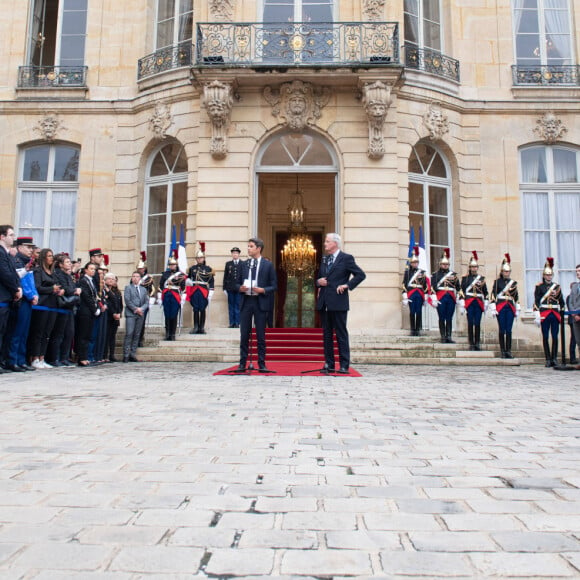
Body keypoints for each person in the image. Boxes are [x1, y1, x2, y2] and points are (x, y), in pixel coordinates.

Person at [316, 233, 366, 374]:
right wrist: (318, 282)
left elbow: (360, 275)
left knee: (341, 334)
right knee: (327, 335)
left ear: (335, 243)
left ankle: (344, 365)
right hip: (324, 302)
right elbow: (319, 278)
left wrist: (347, 285)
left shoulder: (346, 258)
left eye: (327, 242)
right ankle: (329, 364)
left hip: (338, 302)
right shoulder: (325, 259)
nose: (325, 244)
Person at [232, 237, 277, 373]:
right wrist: (240, 288)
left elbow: (274, 285)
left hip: (260, 302)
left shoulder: (267, 265)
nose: (248, 248)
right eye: (248, 246)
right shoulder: (243, 264)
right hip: (246, 301)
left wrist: (263, 290)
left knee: (260, 335)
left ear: (258, 248)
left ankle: (262, 363)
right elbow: (235, 283)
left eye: (251, 246)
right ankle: (242, 363)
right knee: (244, 334)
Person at [5, 236, 37, 372]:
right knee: (17, 332)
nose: (31, 250)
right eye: (28, 247)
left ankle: (21, 359)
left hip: (28, 300)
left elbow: (31, 282)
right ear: (19, 247)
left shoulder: (28, 261)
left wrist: (35, 295)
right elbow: (19, 280)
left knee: (24, 332)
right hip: (21, 300)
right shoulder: (16, 260)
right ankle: (12, 360)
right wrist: (30, 295)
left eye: (31, 248)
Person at [29, 248, 64, 369]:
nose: (51, 258)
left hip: (52, 305)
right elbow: (37, 287)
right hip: (42, 305)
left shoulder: (52, 272)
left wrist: (59, 290)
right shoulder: (38, 271)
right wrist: (51, 289)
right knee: (38, 332)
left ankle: (42, 357)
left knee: (47, 333)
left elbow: (57, 284)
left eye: (52, 255)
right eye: (49, 256)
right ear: (44, 257)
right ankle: (34, 357)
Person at [47, 253, 81, 367]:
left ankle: (64, 357)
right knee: (58, 334)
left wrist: (72, 289)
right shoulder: (59, 274)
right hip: (61, 307)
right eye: (67, 262)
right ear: (60, 264)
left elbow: (70, 286)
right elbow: (66, 288)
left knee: (69, 333)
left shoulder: (68, 275)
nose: (70, 264)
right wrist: (74, 291)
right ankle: (54, 358)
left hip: (69, 307)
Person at [534, 257, 565, 367]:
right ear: (543, 275)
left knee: (555, 336)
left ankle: (554, 358)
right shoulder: (539, 287)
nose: (549, 276)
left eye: (550, 275)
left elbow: (561, 301)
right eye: (547, 275)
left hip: (554, 313)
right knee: (546, 336)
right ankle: (547, 358)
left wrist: (562, 311)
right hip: (545, 313)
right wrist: (537, 313)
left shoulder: (557, 287)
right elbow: (537, 301)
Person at [0, 225, 22, 374]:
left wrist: (17, 288)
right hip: (2, 296)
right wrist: (15, 288)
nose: (13, 238)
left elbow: (13, 273)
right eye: (11, 235)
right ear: (2, 236)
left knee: (4, 331)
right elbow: (5, 273)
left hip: (7, 297)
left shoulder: (7, 254)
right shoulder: (1, 253)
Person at [489, 253, 519, 359]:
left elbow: (516, 296)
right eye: (505, 271)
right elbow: (493, 295)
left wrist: (518, 307)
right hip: (501, 306)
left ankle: (508, 350)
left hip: (510, 306)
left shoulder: (513, 283)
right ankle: (502, 350)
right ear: (502, 271)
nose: (507, 273)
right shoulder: (497, 282)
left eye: (508, 271)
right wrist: (493, 306)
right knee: (502, 329)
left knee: (509, 330)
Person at [459, 251, 489, 351]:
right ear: (470, 268)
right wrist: (462, 303)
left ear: (477, 268)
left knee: (477, 323)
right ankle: (471, 343)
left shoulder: (482, 279)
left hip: (479, 303)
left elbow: (486, 292)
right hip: (469, 302)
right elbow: (461, 291)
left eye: (475, 267)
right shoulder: (465, 279)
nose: (474, 269)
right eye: (472, 267)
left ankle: (477, 343)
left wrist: (486, 302)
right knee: (470, 323)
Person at [430, 248, 460, 344]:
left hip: (450, 297)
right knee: (442, 317)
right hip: (440, 297)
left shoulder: (453, 275)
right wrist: (434, 298)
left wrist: (459, 297)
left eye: (447, 264)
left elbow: (458, 288)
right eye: (443, 264)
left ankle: (449, 336)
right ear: (440, 265)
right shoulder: (435, 275)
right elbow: (432, 288)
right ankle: (443, 336)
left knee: (449, 317)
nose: (445, 266)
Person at [186, 245, 214, 335]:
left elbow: (211, 281)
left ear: (203, 258)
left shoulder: (208, 269)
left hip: (203, 290)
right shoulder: (192, 268)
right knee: (195, 309)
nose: (199, 259)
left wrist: (211, 292)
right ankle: (195, 327)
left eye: (201, 258)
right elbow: (189, 278)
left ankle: (202, 327)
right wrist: (188, 281)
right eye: (198, 258)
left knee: (202, 309)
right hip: (194, 290)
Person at [76, 263, 101, 367]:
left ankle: (85, 357)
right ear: (85, 270)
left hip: (90, 311)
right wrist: (95, 309)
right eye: (91, 269)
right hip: (85, 311)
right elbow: (86, 296)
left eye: (94, 269)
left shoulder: (91, 281)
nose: (93, 271)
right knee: (83, 335)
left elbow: (94, 296)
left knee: (87, 335)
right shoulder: (83, 281)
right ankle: (82, 358)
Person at [401, 247, 428, 336]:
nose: (415, 264)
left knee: (419, 311)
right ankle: (413, 329)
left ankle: (418, 329)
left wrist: (426, 295)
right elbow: (404, 284)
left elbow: (425, 285)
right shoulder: (407, 273)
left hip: (419, 293)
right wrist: (404, 294)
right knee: (412, 312)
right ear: (411, 263)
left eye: (416, 262)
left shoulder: (422, 272)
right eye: (413, 263)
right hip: (411, 293)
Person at [123, 270, 149, 362]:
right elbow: (127, 300)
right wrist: (136, 309)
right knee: (129, 333)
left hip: (140, 314)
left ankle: (132, 353)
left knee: (137, 334)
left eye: (137, 276)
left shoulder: (143, 289)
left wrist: (141, 309)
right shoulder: (128, 288)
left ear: (140, 278)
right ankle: (126, 354)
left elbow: (146, 301)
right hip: (131, 313)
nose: (135, 278)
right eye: (133, 276)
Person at [160, 257, 185, 341]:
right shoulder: (165, 274)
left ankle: (173, 334)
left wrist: (183, 298)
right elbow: (161, 286)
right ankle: (167, 333)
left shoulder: (180, 275)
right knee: (167, 314)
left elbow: (183, 287)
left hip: (175, 295)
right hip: (167, 294)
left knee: (174, 314)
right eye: (170, 265)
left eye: (173, 264)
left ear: (176, 265)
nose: (172, 266)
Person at [136, 252, 156, 347]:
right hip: (136, 301)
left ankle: (140, 338)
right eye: (139, 268)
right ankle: (135, 338)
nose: (141, 270)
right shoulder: (135, 277)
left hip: (144, 301)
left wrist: (151, 298)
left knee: (142, 321)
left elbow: (152, 289)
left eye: (142, 268)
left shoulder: (148, 278)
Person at [103, 272, 123, 362]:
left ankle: (112, 354)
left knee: (112, 336)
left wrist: (119, 313)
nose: (111, 281)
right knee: (106, 336)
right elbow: (108, 304)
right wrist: (113, 313)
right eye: (109, 279)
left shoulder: (117, 292)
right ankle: (105, 355)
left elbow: (120, 304)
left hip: (115, 317)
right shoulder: (104, 290)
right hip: (108, 316)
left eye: (113, 279)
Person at [223, 246, 242, 328]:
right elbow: (225, 276)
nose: (235, 254)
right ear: (232, 254)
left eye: (236, 253)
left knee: (237, 305)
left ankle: (237, 322)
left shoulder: (242, 263)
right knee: (231, 305)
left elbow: (243, 276)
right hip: (230, 288)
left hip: (239, 288)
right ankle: (231, 323)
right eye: (233, 253)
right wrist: (224, 288)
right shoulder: (228, 264)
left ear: (239, 254)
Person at [568, 265, 580, 369]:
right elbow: (571, 301)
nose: (577, 273)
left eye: (579, 271)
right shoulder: (575, 286)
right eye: (576, 271)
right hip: (575, 316)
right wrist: (574, 313)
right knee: (578, 340)